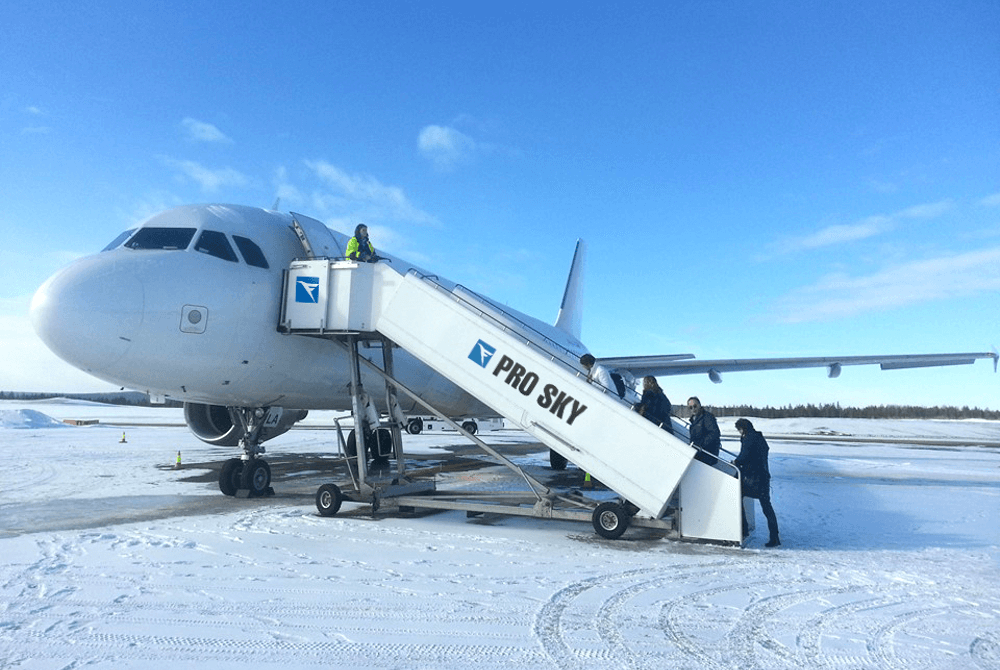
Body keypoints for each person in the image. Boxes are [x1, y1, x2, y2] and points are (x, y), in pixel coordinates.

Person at [734, 418, 780, 547]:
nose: (739, 432)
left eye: (739, 430)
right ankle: (774, 536)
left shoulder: (749, 438)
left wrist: (736, 462)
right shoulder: (759, 437)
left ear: (743, 429)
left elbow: (744, 456)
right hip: (764, 478)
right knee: (767, 507)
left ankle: (744, 529)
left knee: (738, 496)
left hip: (753, 479)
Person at [687, 396, 720, 465]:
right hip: (698, 454)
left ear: (699, 405)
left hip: (706, 456)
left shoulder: (707, 417)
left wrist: (700, 444)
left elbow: (715, 433)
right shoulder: (694, 420)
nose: (693, 409)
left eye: (695, 406)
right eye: (690, 407)